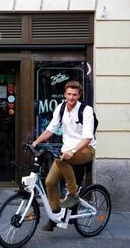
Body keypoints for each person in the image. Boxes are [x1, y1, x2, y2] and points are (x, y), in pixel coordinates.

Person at [32, 80, 96, 231]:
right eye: (69, 94)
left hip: (85, 150)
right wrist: (35, 142)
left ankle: (73, 195)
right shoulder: (60, 108)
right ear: (64, 94)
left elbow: (87, 137)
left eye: (74, 94)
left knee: (60, 159)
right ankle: (55, 215)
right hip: (66, 152)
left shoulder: (86, 110)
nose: (71, 97)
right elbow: (50, 130)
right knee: (49, 182)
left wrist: (72, 151)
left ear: (79, 95)